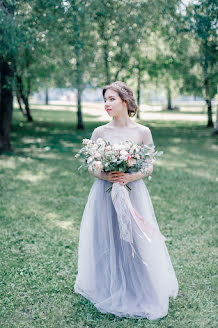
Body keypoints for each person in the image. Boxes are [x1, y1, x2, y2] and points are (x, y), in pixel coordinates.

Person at [74, 81, 179, 320]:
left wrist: (129, 176)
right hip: (105, 193)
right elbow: (92, 165)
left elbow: (149, 165)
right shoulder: (99, 132)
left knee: (135, 238)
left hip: (133, 192)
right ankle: (109, 285)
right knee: (107, 237)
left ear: (125, 101)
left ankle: (138, 285)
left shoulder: (142, 132)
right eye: (105, 100)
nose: (107, 104)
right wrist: (106, 175)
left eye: (112, 99)